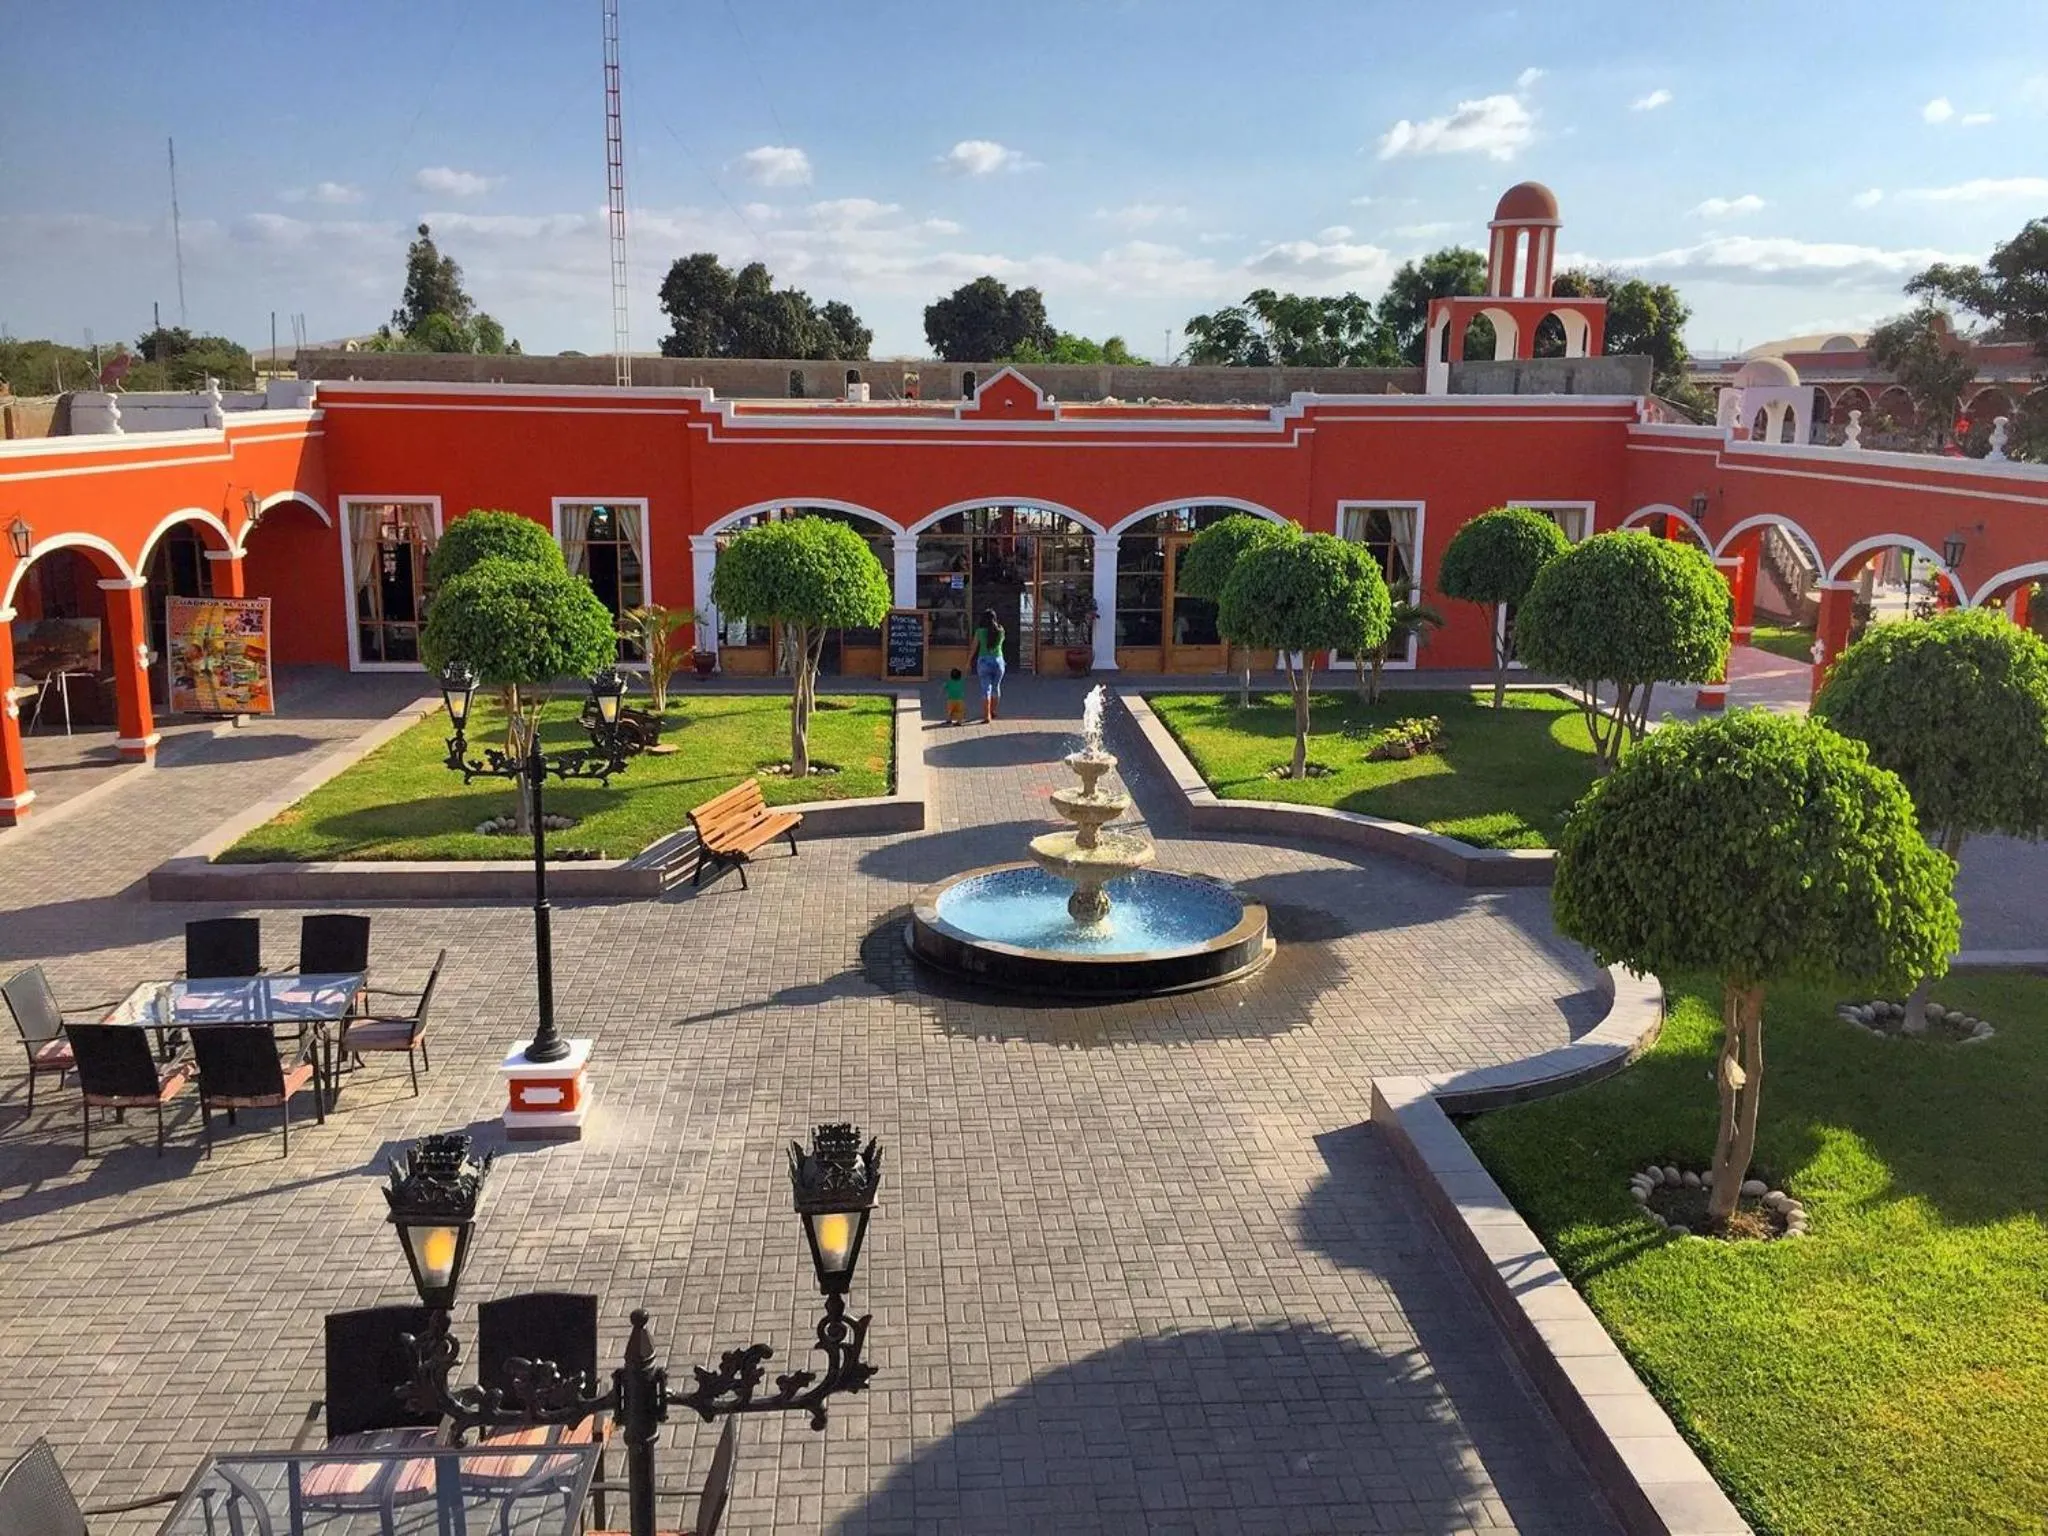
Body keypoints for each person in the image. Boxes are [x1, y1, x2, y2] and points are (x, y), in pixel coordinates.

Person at [970, 607, 1005, 723]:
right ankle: (993, 711)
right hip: (998, 661)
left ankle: (987, 716)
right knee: (996, 688)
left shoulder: (979, 632)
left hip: (984, 661)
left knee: (986, 689)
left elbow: (974, 647)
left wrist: (968, 661)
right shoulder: (1001, 630)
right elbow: (1001, 643)